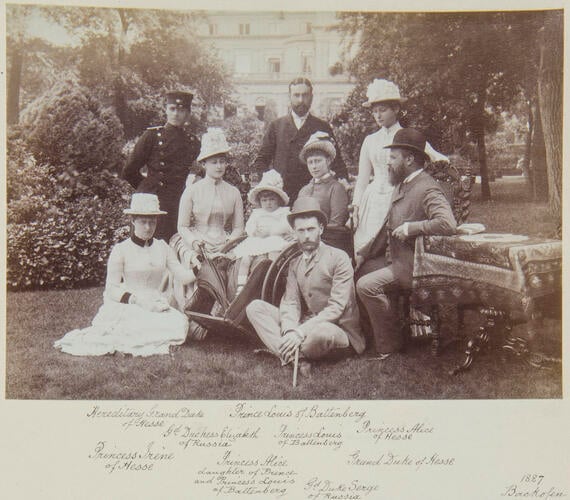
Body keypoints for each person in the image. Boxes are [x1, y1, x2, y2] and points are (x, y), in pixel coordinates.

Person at [53, 194, 196, 357]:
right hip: (131, 303)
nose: (148, 227)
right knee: (133, 329)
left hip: (156, 303)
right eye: (143, 222)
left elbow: (182, 276)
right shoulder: (121, 249)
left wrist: (200, 270)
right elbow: (112, 288)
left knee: (179, 324)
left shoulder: (162, 247)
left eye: (152, 222)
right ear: (133, 221)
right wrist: (137, 300)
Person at [355, 128, 457, 359]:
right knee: (357, 270)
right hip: (396, 259)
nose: (387, 163)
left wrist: (412, 228)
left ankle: (389, 346)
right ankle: (371, 336)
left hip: (415, 265)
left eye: (392, 157)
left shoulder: (426, 187)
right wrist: (363, 253)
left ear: (409, 159)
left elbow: (447, 223)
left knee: (366, 285)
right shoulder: (402, 184)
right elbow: (386, 227)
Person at [246, 197, 365, 376]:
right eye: (301, 231)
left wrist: (300, 332)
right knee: (255, 308)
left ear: (321, 229)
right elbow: (290, 302)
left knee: (320, 334)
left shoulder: (338, 258)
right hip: (306, 324)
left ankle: (284, 350)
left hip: (337, 328)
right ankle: (298, 358)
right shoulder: (295, 264)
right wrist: (289, 330)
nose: (306, 235)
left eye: (311, 229)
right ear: (294, 232)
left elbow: (336, 308)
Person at [352, 79, 449, 252]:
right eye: (374, 111)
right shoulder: (370, 140)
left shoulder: (408, 137)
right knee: (365, 245)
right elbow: (362, 179)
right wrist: (356, 206)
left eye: (383, 110)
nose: (378, 115)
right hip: (373, 198)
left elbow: (438, 160)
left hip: (399, 195)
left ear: (396, 109)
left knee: (391, 244)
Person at [253, 77, 348, 203]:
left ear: (312, 97)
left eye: (305, 95)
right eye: (296, 95)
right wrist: (270, 186)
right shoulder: (276, 126)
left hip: (314, 198)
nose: (301, 100)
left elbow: (337, 163)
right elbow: (261, 161)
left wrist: (342, 185)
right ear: (289, 97)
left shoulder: (322, 126)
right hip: (282, 197)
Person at [122, 90, 200, 242]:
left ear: (188, 113)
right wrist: (148, 189)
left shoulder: (193, 142)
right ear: (166, 110)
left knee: (173, 249)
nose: (176, 114)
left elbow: (200, 171)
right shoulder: (152, 136)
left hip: (177, 204)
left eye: (181, 110)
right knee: (145, 247)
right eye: (172, 109)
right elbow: (129, 171)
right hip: (151, 204)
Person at [177, 127, 245, 257]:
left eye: (222, 162)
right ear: (204, 164)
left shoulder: (233, 192)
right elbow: (182, 226)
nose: (219, 166)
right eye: (214, 162)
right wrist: (194, 242)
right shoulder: (192, 190)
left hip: (224, 243)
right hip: (198, 243)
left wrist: (228, 244)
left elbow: (238, 228)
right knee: (193, 261)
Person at [232, 169, 294, 292]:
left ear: (278, 200)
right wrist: (254, 232)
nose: (268, 203)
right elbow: (249, 227)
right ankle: (241, 285)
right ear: (260, 202)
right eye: (264, 200)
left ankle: (271, 280)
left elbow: (287, 226)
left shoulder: (283, 212)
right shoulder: (257, 213)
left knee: (272, 257)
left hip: (275, 240)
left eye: (272, 199)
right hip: (258, 240)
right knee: (245, 258)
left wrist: (270, 231)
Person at [297, 131, 350, 227]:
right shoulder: (304, 190)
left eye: (317, 161)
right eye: (310, 162)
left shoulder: (336, 188)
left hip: (328, 238)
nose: (314, 166)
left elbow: (336, 224)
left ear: (328, 161)